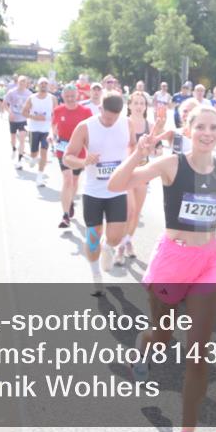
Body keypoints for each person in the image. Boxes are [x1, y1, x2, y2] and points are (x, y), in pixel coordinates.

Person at [108, 104, 216, 432]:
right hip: (172, 260)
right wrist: (138, 153)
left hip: (208, 262)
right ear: (188, 129)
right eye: (201, 127)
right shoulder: (171, 164)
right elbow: (116, 183)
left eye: (214, 127)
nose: (208, 133)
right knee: (162, 335)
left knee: (198, 351)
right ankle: (142, 346)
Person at [63, 90, 130, 293]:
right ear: (100, 108)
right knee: (93, 237)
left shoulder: (127, 123)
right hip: (93, 192)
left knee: (117, 237)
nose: (111, 121)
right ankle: (95, 274)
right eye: (108, 117)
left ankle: (108, 248)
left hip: (118, 190)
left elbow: (133, 146)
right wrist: (84, 161)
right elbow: (67, 157)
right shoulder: (86, 127)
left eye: (115, 118)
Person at [116, 90, 162, 264]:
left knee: (136, 213)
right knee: (129, 211)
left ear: (146, 106)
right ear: (129, 105)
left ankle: (127, 242)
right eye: (135, 103)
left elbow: (158, 149)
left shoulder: (150, 126)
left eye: (142, 103)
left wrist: (156, 150)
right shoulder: (122, 123)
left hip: (143, 172)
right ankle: (120, 247)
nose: (138, 106)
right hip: (125, 172)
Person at [52, 84, 92, 228]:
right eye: (67, 96)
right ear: (63, 96)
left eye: (72, 96)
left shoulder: (85, 111)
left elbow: (89, 132)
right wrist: (52, 137)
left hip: (79, 149)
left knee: (75, 181)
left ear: (77, 96)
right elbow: (54, 128)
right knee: (67, 179)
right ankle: (65, 215)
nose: (70, 99)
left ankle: (70, 201)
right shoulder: (58, 110)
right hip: (63, 148)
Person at [21, 78, 55, 187]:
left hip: (46, 129)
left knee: (44, 153)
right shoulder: (32, 98)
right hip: (34, 128)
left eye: (46, 83)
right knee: (34, 153)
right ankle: (32, 158)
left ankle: (39, 177)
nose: (44, 85)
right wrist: (34, 117)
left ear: (48, 86)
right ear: (38, 85)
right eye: (41, 84)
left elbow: (57, 113)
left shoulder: (53, 98)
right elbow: (24, 112)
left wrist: (54, 128)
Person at [1, 75, 32, 168]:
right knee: (13, 139)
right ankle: (14, 149)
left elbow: (32, 106)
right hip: (13, 118)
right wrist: (10, 112)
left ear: (27, 83)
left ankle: (19, 161)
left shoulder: (29, 94)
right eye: (20, 81)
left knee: (22, 139)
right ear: (17, 82)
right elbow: (4, 104)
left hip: (23, 119)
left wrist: (29, 113)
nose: (22, 83)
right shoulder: (12, 92)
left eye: (24, 82)